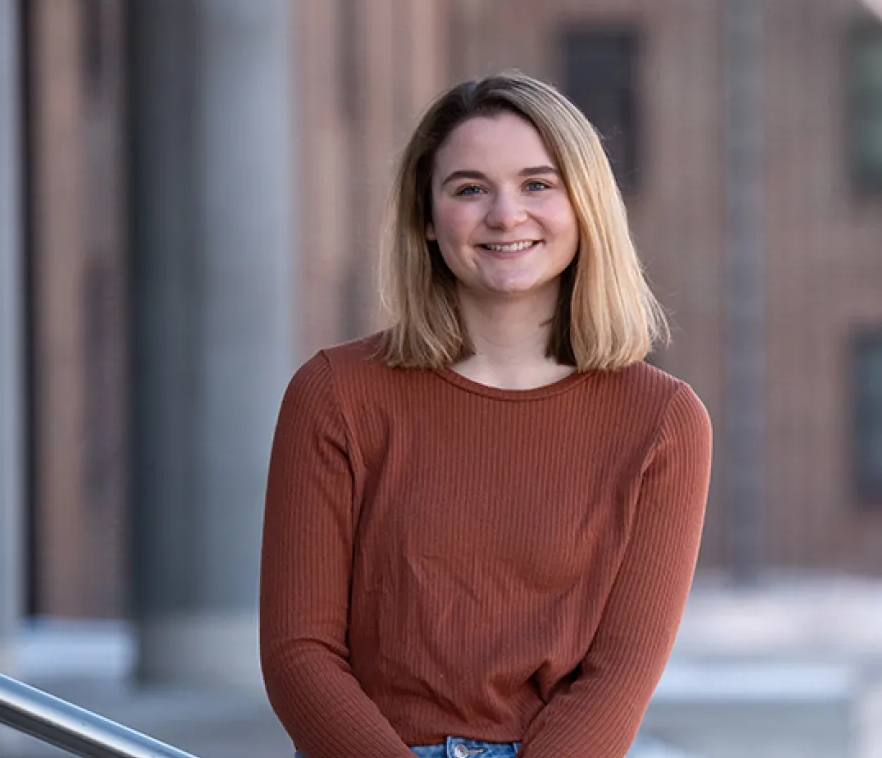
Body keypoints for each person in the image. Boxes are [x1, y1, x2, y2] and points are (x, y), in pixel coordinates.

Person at [259, 72, 714, 758]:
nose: (506, 215)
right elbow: (300, 655)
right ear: (426, 219)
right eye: (470, 188)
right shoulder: (336, 396)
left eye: (538, 184)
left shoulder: (662, 422)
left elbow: (617, 677)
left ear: (586, 206)